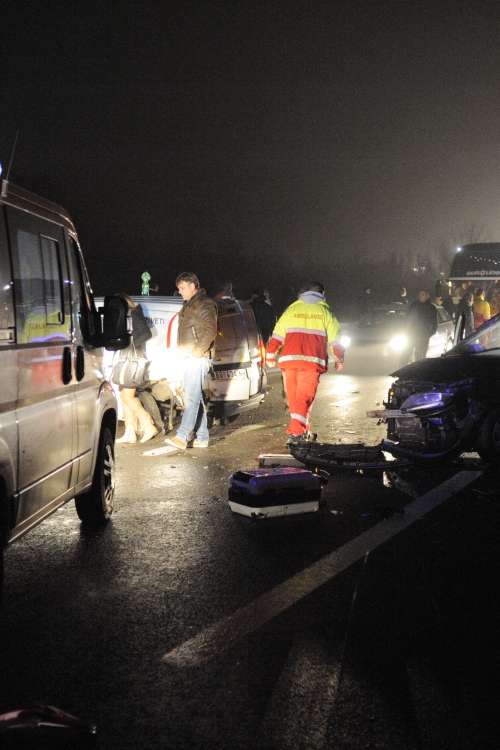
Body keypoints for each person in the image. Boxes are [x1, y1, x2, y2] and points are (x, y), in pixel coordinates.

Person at [266, 281, 344, 445]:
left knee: (295, 400)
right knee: (304, 399)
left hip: (289, 362)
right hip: (311, 363)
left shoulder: (292, 309)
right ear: (322, 294)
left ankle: (303, 429)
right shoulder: (325, 311)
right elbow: (336, 339)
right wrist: (339, 358)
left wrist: (270, 355)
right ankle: (296, 434)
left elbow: (278, 334)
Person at [165, 272, 217, 451]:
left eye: (182, 288)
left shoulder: (203, 303)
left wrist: (196, 352)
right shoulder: (189, 305)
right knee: (195, 397)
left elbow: (210, 329)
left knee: (191, 399)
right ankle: (202, 437)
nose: (179, 291)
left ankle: (183, 436)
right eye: (179, 288)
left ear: (193, 286)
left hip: (197, 358)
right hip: (189, 357)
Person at [115, 294, 158, 444]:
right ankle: (130, 432)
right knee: (123, 396)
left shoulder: (134, 314)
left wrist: (130, 345)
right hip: (126, 360)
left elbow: (146, 333)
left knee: (128, 397)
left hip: (134, 361)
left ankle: (149, 425)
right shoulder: (126, 317)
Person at [399, 289, 438, 366]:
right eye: (419, 295)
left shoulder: (431, 308)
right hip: (411, 334)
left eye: (423, 295)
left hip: (422, 336)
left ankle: (418, 371)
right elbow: (407, 318)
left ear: (427, 296)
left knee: (420, 357)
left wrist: (427, 334)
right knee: (406, 354)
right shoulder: (414, 305)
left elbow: (434, 324)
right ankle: (402, 369)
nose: (420, 296)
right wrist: (405, 330)